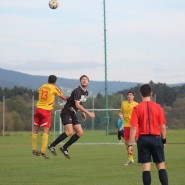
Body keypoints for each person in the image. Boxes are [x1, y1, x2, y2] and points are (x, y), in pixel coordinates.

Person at [128, 84, 168, 185]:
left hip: (143, 139)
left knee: (146, 168)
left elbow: (133, 127)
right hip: (156, 138)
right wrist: (163, 140)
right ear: (151, 93)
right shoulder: (158, 107)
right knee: (161, 166)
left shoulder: (136, 108)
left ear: (140, 94)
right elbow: (162, 126)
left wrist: (130, 144)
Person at [48, 75, 95, 159]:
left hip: (72, 113)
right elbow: (77, 104)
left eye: (86, 79)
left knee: (80, 132)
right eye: (83, 79)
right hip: (66, 111)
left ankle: (64, 148)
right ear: (80, 81)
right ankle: (52, 145)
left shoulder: (86, 92)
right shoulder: (77, 90)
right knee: (69, 131)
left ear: (88, 82)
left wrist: (82, 113)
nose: (84, 80)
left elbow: (80, 103)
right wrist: (88, 113)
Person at [32, 75, 68, 159]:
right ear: (55, 82)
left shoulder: (42, 87)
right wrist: (72, 98)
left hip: (38, 109)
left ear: (48, 80)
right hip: (46, 111)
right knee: (46, 130)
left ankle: (33, 148)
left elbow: (39, 94)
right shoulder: (54, 88)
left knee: (35, 129)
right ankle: (43, 151)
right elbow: (64, 97)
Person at [120, 90, 138, 165]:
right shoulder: (123, 103)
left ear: (133, 96)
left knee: (138, 141)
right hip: (126, 125)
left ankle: (142, 157)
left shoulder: (136, 104)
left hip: (134, 125)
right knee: (127, 143)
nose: (129, 96)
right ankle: (130, 158)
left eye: (131, 95)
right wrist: (121, 115)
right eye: (128, 95)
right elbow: (121, 112)